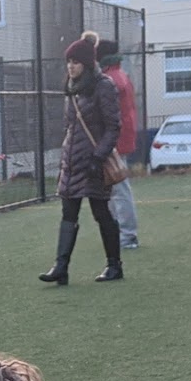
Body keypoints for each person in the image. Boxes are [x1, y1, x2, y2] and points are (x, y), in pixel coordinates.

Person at [40, 31, 124, 285]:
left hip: (94, 165)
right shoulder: (72, 89)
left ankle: (114, 265)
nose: (70, 66)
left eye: (75, 62)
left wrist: (98, 157)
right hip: (72, 163)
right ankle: (61, 267)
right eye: (68, 62)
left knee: (101, 213)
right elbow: (70, 127)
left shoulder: (103, 86)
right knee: (68, 214)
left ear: (86, 64)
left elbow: (113, 127)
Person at [96, 38, 140, 251]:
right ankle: (121, 233)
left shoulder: (110, 79)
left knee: (118, 188)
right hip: (120, 138)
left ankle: (127, 235)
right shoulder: (120, 75)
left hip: (114, 140)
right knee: (115, 187)